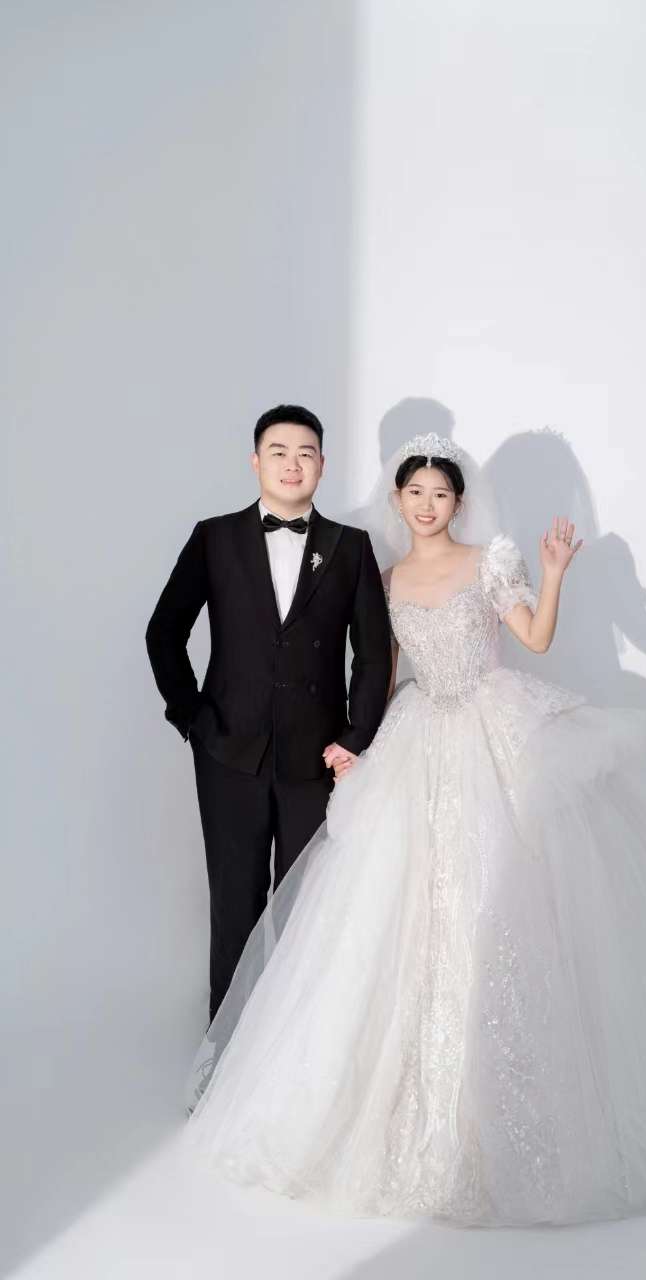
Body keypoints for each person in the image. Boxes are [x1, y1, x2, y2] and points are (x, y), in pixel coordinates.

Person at [183, 432, 646, 1227]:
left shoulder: (488, 561)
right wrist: (360, 747)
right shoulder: (386, 579)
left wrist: (557, 573)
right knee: (398, 905)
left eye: (439, 493)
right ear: (396, 500)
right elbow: (380, 676)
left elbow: (533, 639)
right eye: (414, 493)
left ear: (457, 501)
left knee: (514, 886)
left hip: (491, 727)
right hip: (417, 736)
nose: (426, 505)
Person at [145, 405, 391, 1024]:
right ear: (255, 461)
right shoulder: (214, 537)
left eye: (305, 453)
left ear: (322, 465)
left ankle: (297, 1046)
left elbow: (373, 652)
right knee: (235, 903)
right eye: (278, 452)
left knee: (310, 907)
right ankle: (225, 1047)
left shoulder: (351, 547)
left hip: (319, 758)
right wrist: (194, 720)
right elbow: (164, 632)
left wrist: (355, 737)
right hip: (229, 752)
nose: (292, 464)